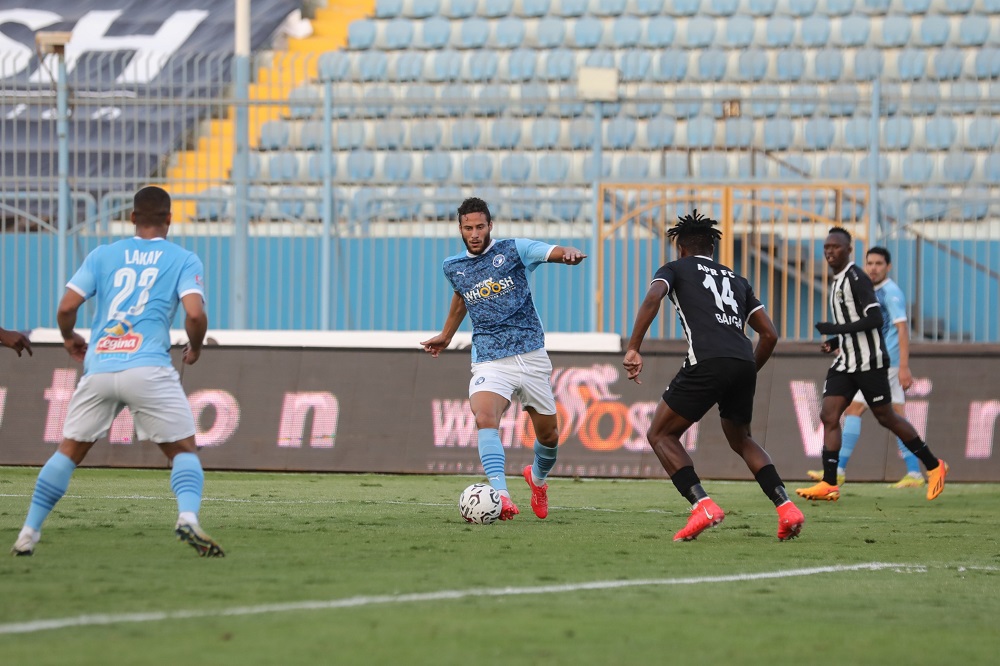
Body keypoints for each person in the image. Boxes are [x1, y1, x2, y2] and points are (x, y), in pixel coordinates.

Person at [11, 186, 223, 557]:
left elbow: (66, 307)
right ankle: (187, 517)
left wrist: (69, 337)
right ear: (169, 219)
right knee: (183, 450)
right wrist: (197, 347)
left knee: (68, 453)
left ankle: (28, 533)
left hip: (101, 366)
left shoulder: (103, 255)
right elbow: (194, 314)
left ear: (132, 218)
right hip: (148, 367)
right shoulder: (184, 259)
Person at [623, 210, 805, 542]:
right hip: (743, 360)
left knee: (660, 434)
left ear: (681, 248)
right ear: (712, 249)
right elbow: (770, 335)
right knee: (742, 439)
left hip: (707, 360)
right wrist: (745, 371)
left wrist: (634, 348)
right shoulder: (737, 280)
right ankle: (787, 508)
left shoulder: (674, 269)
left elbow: (653, 297)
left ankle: (703, 506)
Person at [421, 197, 586, 521]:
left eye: (480, 227)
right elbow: (462, 296)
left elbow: (547, 251)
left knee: (549, 437)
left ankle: (537, 480)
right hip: (490, 358)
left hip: (531, 354)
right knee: (485, 416)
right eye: (468, 228)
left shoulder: (513, 250)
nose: (474, 234)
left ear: (490, 226)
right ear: (460, 229)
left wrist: (566, 253)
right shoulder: (452, 266)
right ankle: (502, 495)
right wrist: (447, 334)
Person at [796, 227, 948, 503]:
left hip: (870, 363)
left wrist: (836, 328)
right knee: (829, 415)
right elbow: (855, 323)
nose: (830, 251)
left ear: (848, 250)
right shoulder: (837, 281)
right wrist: (835, 340)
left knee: (886, 417)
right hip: (846, 362)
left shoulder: (857, 279)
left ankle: (933, 465)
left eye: (836, 247)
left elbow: (875, 319)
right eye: (826, 247)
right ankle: (830, 482)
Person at [806, 246, 924, 488]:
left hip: (883, 363)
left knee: (854, 409)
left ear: (888, 267)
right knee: (896, 415)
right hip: (875, 361)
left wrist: (904, 366)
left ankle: (838, 470)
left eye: (879, 264)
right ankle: (915, 472)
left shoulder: (891, 292)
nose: (873, 268)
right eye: (869, 263)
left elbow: (902, 329)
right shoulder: (871, 291)